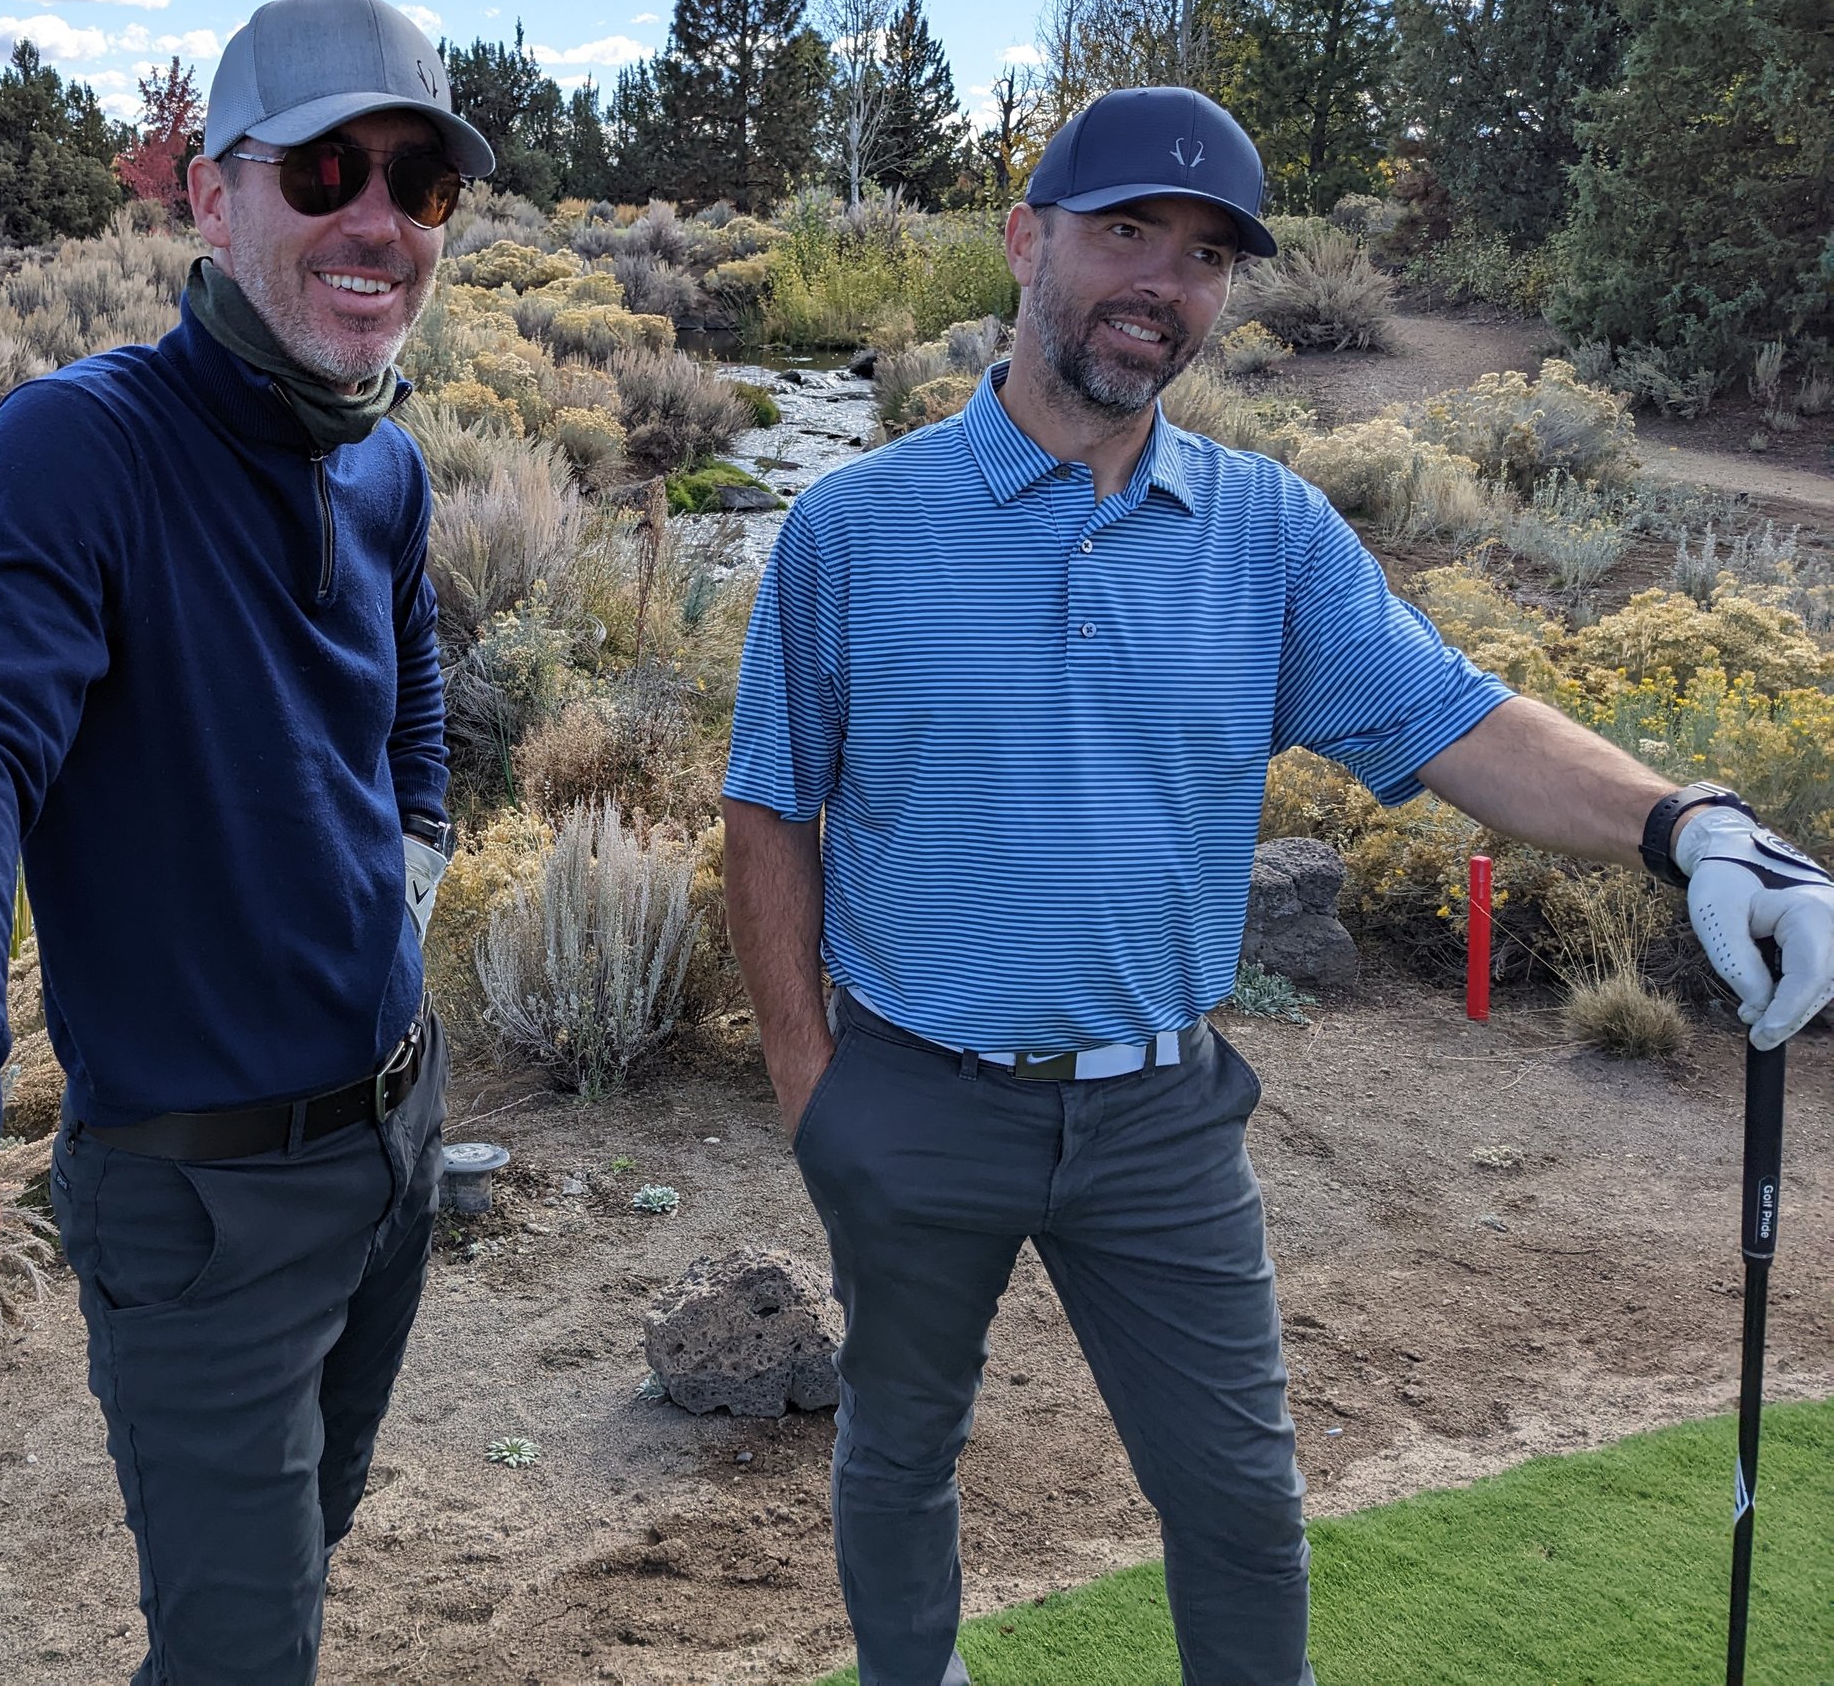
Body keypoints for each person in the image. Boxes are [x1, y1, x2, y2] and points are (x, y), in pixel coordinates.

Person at [721, 84, 1834, 1686]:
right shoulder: (855, 527)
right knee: (901, 1449)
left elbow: (1463, 721)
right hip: (912, 1092)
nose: (1161, 282)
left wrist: (1694, 823)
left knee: (1241, 1503)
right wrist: (810, 1084)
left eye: (1204, 253)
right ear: (1027, 238)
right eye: (1124, 231)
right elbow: (770, 812)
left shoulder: (1271, 537)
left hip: (1160, 1120)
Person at [0, 0, 495, 1686]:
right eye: (326, 167)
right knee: (242, 1647)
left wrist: (415, 846)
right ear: (209, 196)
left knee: (300, 1558)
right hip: (198, 1201)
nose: (376, 219)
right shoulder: (77, 447)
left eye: (420, 183)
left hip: (396, 1141)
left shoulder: (385, 464)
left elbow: (411, 671)